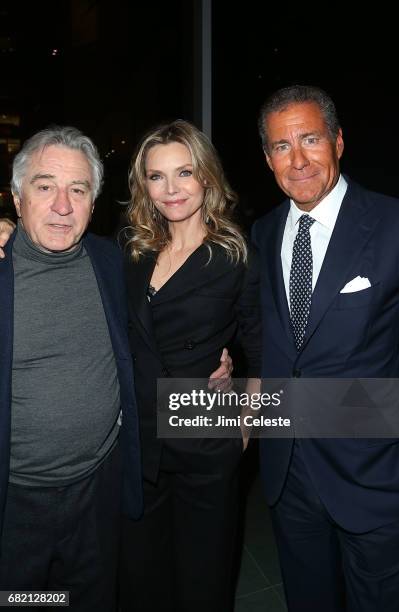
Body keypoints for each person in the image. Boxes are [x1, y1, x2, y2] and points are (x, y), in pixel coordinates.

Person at [252, 84, 399, 612]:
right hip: (289, 474)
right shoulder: (263, 231)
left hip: (376, 477)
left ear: (338, 142)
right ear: (267, 157)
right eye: (280, 146)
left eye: (310, 139)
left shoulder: (395, 226)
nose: (297, 160)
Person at [119, 119, 261, 612]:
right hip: (138, 447)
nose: (171, 189)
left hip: (204, 438)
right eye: (157, 177)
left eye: (184, 173)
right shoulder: (133, 251)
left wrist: (245, 424)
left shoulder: (235, 255)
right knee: (143, 580)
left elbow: (260, 348)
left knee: (203, 582)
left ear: (206, 176)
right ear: (144, 185)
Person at [0, 126, 143, 612]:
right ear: (17, 199)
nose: (63, 206)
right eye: (45, 187)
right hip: (15, 504)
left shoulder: (108, 260)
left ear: (92, 201)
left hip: (97, 488)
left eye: (78, 190)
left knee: (92, 598)